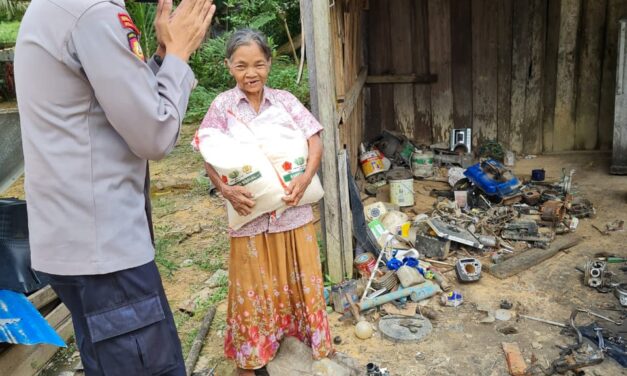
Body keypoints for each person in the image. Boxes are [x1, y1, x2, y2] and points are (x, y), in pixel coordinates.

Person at [14, 0, 215, 374]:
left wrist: (160, 58)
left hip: (74, 246)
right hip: (106, 255)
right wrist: (180, 55)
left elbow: (112, 102)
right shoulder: (92, 12)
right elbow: (154, 133)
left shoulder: (56, 9)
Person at [192, 29, 333, 376]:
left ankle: (297, 347)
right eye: (241, 66)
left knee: (301, 280)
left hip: (293, 212)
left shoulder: (285, 100)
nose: (250, 73)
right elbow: (207, 154)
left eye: (258, 64)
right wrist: (225, 190)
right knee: (252, 289)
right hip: (249, 216)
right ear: (228, 67)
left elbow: (315, 141)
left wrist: (304, 178)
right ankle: (254, 356)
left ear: (270, 63)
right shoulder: (222, 106)